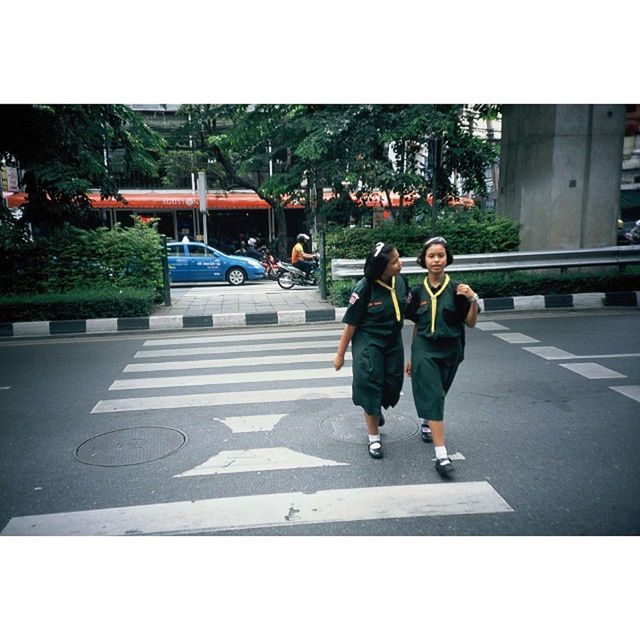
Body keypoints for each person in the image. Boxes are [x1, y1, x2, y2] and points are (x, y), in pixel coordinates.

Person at [405, 236, 480, 477]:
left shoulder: (458, 290)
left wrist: (473, 299)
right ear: (423, 261)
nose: (436, 260)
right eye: (431, 256)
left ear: (447, 259)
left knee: (441, 392)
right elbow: (417, 324)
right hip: (425, 348)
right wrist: (413, 355)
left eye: (440, 255)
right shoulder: (417, 293)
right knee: (435, 395)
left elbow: (470, 324)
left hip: (452, 350)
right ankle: (441, 455)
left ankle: (428, 421)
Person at [333, 242, 407, 459]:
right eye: (394, 262)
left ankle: (374, 409)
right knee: (370, 383)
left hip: (393, 341)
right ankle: (373, 438)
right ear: (381, 268)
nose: (399, 264)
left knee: (393, 383)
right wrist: (340, 354)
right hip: (369, 341)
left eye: (398, 258)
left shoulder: (401, 281)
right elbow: (351, 324)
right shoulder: (364, 288)